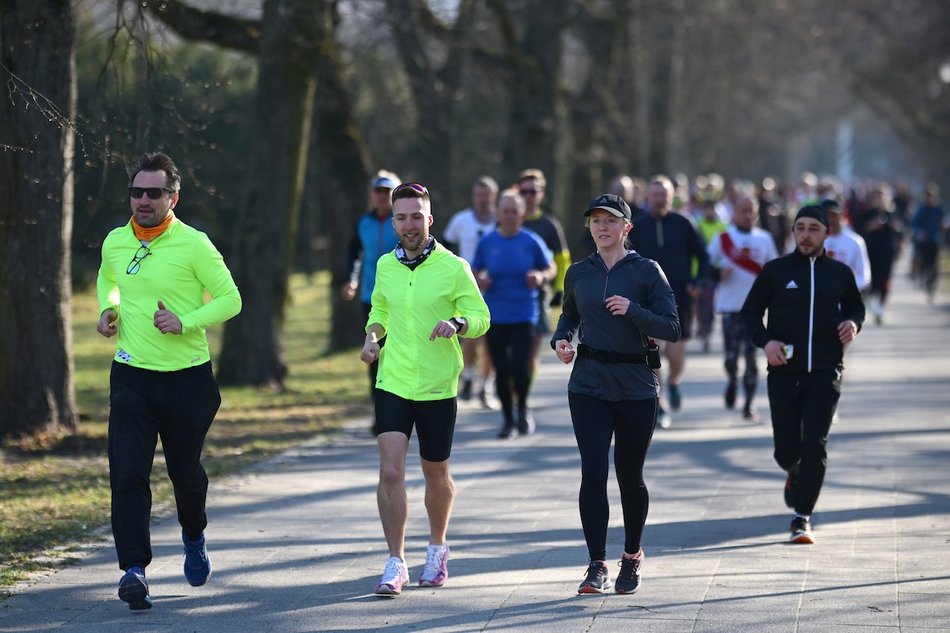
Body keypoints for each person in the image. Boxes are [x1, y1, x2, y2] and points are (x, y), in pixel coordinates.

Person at [96, 152, 242, 610]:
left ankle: (194, 535)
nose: (143, 200)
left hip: (187, 381)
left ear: (173, 197)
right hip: (132, 376)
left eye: (153, 192)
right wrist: (109, 307)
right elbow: (109, 278)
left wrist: (187, 321)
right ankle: (133, 570)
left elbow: (230, 299)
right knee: (128, 473)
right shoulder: (117, 241)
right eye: (136, 192)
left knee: (185, 474)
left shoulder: (195, 245)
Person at [360, 182, 490, 596]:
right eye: (402, 217)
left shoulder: (453, 267)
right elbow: (380, 308)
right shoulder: (385, 265)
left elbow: (480, 315)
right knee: (391, 470)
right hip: (393, 379)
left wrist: (457, 324)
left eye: (417, 216)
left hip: (436, 384)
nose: (410, 224)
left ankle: (436, 547)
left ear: (429, 219)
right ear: (394, 221)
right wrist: (372, 335)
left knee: (435, 472)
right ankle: (395, 561)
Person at [552, 193, 680, 595]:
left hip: (635, 383)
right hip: (588, 381)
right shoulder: (578, 272)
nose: (602, 228)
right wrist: (561, 340)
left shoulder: (647, 271)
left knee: (629, 475)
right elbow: (569, 315)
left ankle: (631, 556)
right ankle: (595, 564)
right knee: (593, 472)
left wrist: (635, 311)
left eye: (610, 221)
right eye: (595, 221)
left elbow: (673, 327)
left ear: (626, 228)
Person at [740, 205, 864, 544]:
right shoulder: (776, 271)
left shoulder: (839, 273)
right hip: (784, 371)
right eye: (800, 228)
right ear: (793, 232)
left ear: (827, 232)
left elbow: (856, 307)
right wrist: (766, 343)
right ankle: (793, 471)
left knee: (815, 443)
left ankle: (802, 516)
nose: (806, 235)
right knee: (785, 449)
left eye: (813, 228)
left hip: (826, 370)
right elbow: (750, 314)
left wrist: (853, 322)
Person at [630, 175, 710, 427]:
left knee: (675, 356)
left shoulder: (684, 223)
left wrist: (697, 284)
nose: (659, 199)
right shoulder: (637, 226)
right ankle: (660, 402)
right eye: (655, 195)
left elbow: (703, 256)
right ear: (648, 197)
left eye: (663, 194)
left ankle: (674, 381)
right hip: (647, 299)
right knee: (653, 352)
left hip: (679, 298)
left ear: (671, 196)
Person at [472, 192, 554, 438]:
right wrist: (480, 280)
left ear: (521, 215)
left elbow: (550, 266)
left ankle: (522, 408)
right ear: (497, 214)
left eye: (514, 212)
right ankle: (508, 420)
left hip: (524, 312)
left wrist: (541, 277)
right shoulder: (488, 242)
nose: (509, 216)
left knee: (521, 366)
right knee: (501, 369)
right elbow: (473, 270)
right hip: (495, 314)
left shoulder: (531, 241)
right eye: (505, 211)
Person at [706, 195, 778, 421]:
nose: (748, 215)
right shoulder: (723, 239)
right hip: (729, 307)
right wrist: (718, 274)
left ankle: (748, 404)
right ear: (734, 213)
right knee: (730, 357)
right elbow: (706, 266)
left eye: (751, 211)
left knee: (751, 358)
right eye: (743, 210)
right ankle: (732, 380)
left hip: (754, 310)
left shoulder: (765, 239)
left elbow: (775, 271)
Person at [341, 171, 402, 431]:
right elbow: (354, 254)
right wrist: (351, 280)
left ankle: (402, 411)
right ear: (372, 194)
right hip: (370, 297)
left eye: (387, 191)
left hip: (400, 297)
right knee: (374, 355)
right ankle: (381, 414)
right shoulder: (363, 222)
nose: (381, 196)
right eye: (378, 191)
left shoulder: (401, 221)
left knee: (397, 354)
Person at [442, 176, 499, 407]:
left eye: (487, 195)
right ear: (473, 197)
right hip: (465, 286)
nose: (483, 200)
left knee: (490, 341)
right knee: (467, 335)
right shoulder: (461, 220)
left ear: (493, 197)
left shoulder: (501, 220)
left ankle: (486, 385)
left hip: (495, 289)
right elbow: (446, 248)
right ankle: (467, 379)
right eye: (479, 195)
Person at [517, 169, 571, 373]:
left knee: (530, 353)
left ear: (541, 194)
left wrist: (560, 290)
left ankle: (520, 400)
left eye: (534, 191)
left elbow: (562, 259)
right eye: (524, 191)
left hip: (537, 295)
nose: (529, 196)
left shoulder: (549, 224)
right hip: (506, 294)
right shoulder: (508, 219)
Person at [852, 185, 902, 325]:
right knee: (872, 279)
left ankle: (881, 307)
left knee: (885, 279)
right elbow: (859, 229)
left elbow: (901, 231)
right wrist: (871, 226)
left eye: (882, 195)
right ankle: (872, 302)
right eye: (877, 196)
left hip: (887, 252)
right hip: (871, 251)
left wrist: (895, 226)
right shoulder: (868, 213)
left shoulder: (892, 213)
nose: (880, 199)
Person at [820, 197, 871, 293]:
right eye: (826, 215)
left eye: (834, 215)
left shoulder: (855, 241)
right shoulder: (811, 240)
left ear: (842, 215)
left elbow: (864, 275)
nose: (830, 219)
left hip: (845, 299)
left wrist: (846, 287)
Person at [910, 185, 945, 303]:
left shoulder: (939, 209)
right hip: (923, 242)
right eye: (928, 196)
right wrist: (919, 232)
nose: (930, 198)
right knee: (924, 263)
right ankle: (924, 279)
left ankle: (931, 286)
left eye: (931, 196)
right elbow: (914, 224)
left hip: (935, 241)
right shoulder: (921, 209)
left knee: (934, 264)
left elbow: (943, 222)